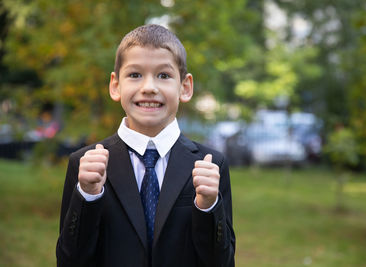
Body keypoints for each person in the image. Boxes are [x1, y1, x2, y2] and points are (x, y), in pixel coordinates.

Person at [56, 24, 235, 267]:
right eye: (135, 74)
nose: (149, 87)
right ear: (115, 85)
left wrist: (208, 207)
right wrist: (87, 195)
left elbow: (221, 262)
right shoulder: (84, 164)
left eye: (163, 75)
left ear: (185, 87)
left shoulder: (210, 165)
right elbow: (70, 260)